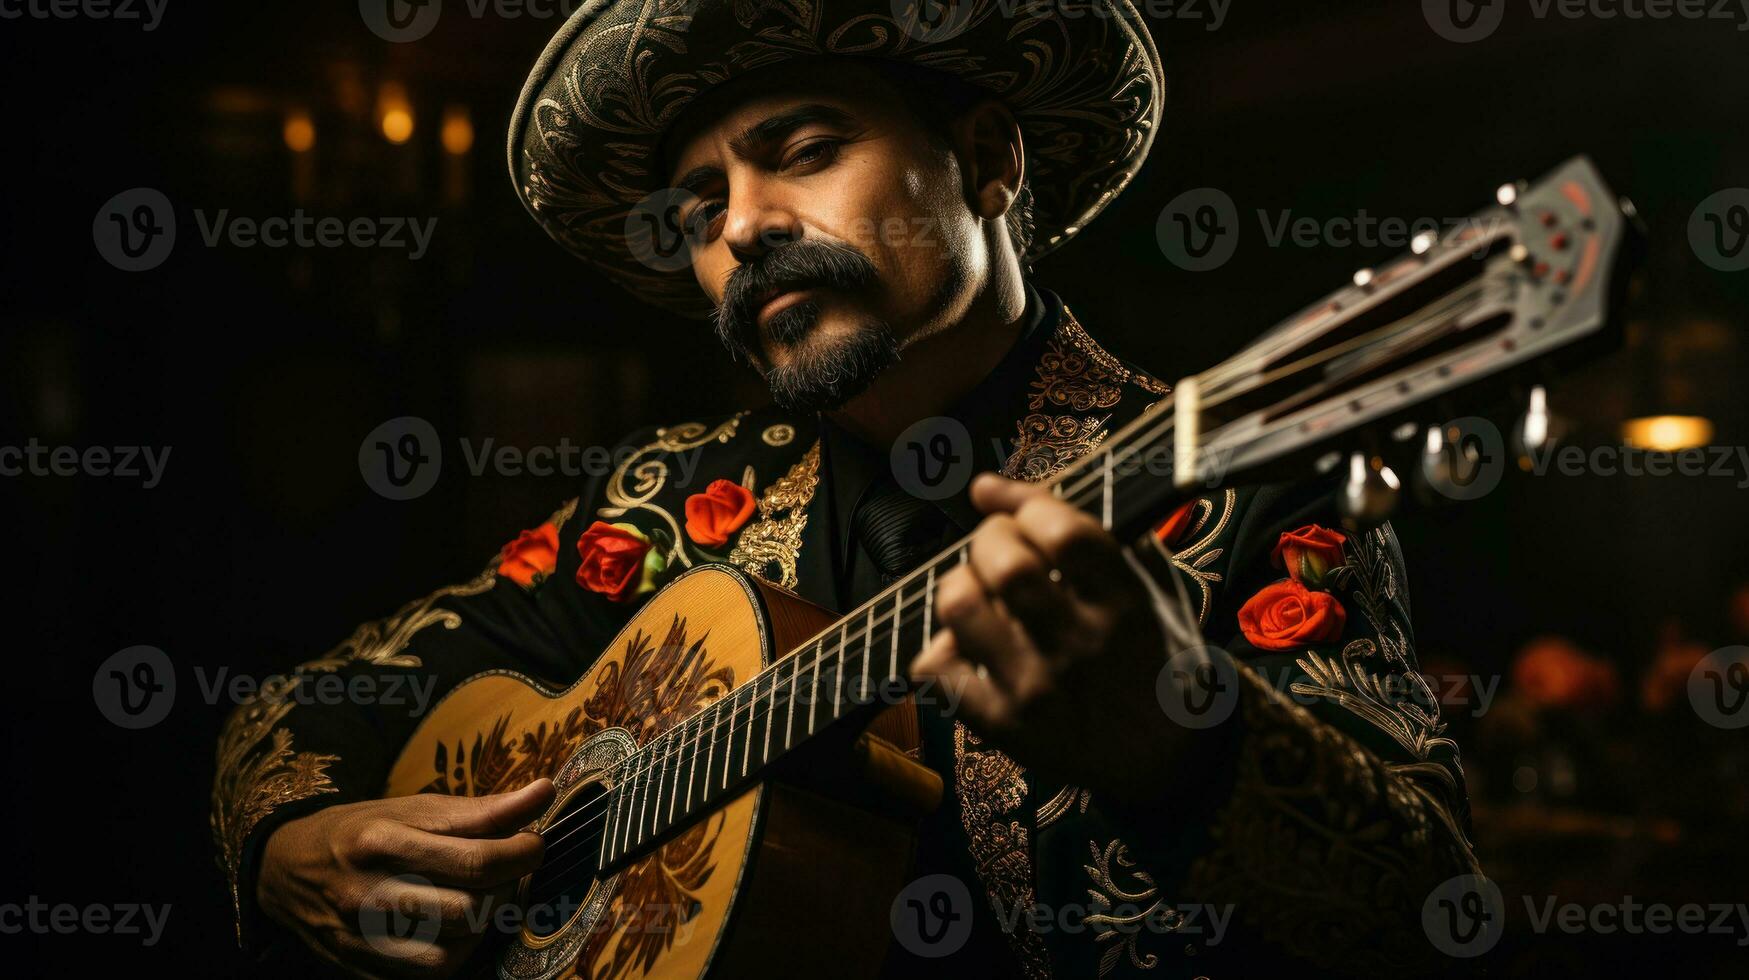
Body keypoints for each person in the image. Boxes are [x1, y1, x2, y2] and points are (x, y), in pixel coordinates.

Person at [213, 2, 1480, 976]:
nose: (744, 229)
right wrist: (288, 840)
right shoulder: (669, 504)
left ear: (986, 159)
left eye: (803, 152)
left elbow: (1430, 912)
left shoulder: (1243, 493)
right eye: (699, 205)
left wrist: (1187, 745)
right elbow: (315, 699)